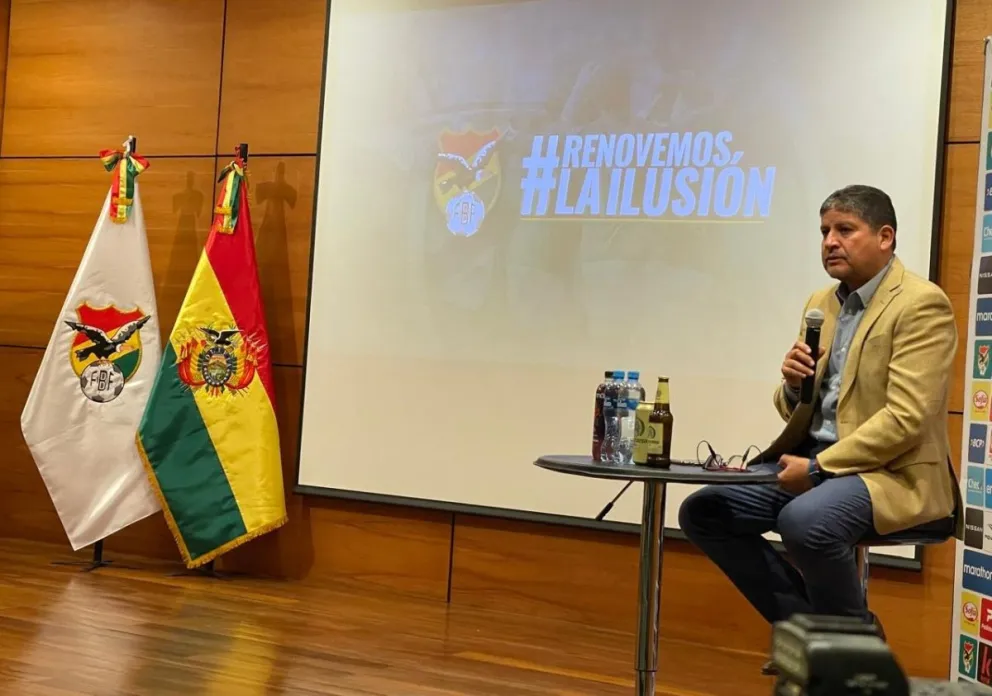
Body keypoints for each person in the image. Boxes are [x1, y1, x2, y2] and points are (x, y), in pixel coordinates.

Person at [677, 184, 963, 675]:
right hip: (815, 462)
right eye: (825, 231)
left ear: (885, 237)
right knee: (705, 510)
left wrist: (818, 467)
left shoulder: (921, 305)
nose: (830, 241)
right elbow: (806, 407)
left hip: (889, 473)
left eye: (845, 230)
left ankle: (852, 657)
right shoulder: (821, 303)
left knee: (806, 521)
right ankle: (822, 631)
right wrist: (792, 385)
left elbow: (907, 419)